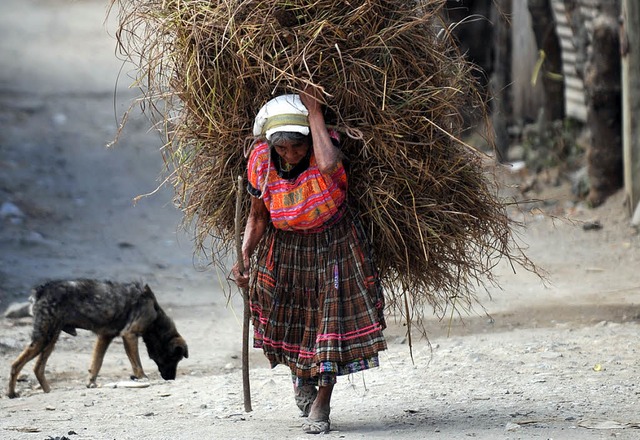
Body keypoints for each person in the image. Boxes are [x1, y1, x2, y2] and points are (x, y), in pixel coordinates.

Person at [232, 85, 387, 434]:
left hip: (334, 244)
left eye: (297, 145)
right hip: (286, 248)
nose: (289, 154)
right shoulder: (260, 161)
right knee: (289, 318)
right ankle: (300, 375)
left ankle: (323, 402)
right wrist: (245, 254)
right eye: (282, 147)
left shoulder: (323, 149)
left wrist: (314, 111)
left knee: (329, 324)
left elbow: (331, 164)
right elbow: (258, 217)